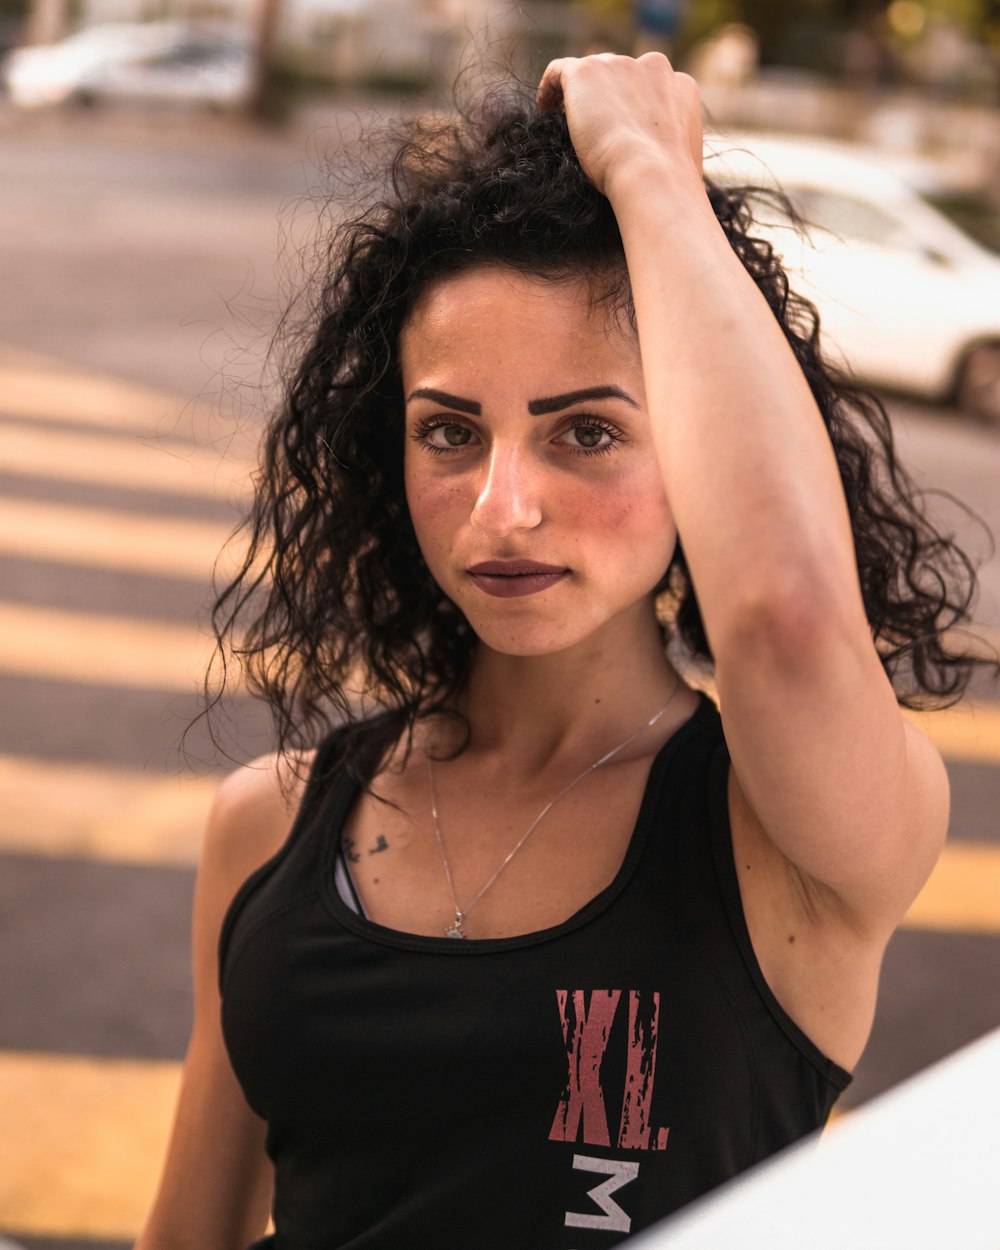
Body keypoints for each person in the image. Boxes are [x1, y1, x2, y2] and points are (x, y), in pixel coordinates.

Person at [136, 53, 993, 1250]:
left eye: (585, 432)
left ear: (692, 455)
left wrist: (651, 176)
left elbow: (789, 619)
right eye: (449, 431)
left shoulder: (783, 829)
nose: (501, 507)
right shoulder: (269, 824)